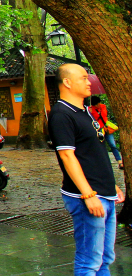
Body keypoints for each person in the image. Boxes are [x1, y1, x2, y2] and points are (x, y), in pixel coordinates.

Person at [50, 64, 125, 276]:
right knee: (89, 261)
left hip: (105, 193)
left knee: (105, 258)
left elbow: (93, 153)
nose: (88, 82)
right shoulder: (62, 114)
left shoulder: (84, 112)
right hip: (87, 196)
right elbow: (67, 155)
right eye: (83, 78)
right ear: (67, 82)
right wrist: (88, 194)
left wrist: (111, 186)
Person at [88, 96, 123, 169]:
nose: (98, 105)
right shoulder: (90, 109)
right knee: (101, 146)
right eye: (97, 104)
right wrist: (91, 112)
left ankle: (119, 161)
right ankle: (101, 163)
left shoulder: (103, 106)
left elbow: (104, 115)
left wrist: (98, 111)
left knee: (112, 145)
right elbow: (94, 119)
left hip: (106, 128)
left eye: (99, 103)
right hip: (98, 129)